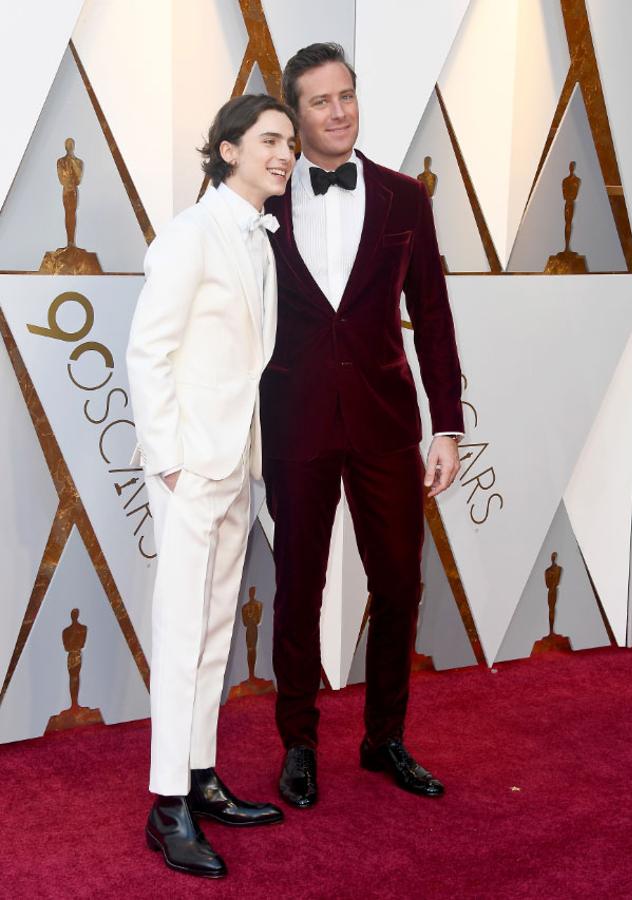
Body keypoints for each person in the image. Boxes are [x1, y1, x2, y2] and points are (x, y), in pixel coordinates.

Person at [260, 44, 464, 809]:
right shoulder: (260, 201)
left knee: (401, 582)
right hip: (295, 420)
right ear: (295, 116)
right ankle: (299, 742)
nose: (339, 111)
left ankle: (384, 738)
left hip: (385, 422)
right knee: (297, 586)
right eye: (321, 101)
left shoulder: (405, 199)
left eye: (346, 95)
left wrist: (447, 426)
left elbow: (433, 315)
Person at [126, 94, 297, 878]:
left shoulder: (259, 237)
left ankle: (199, 777)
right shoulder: (191, 234)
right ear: (228, 150)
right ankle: (167, 806)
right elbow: (148, 351)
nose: (285, 154)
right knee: (180, 632)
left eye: (289, 143)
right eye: (270, 140)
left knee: (215, 631)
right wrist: (171, 461)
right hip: (193, 466)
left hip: (238, 464)